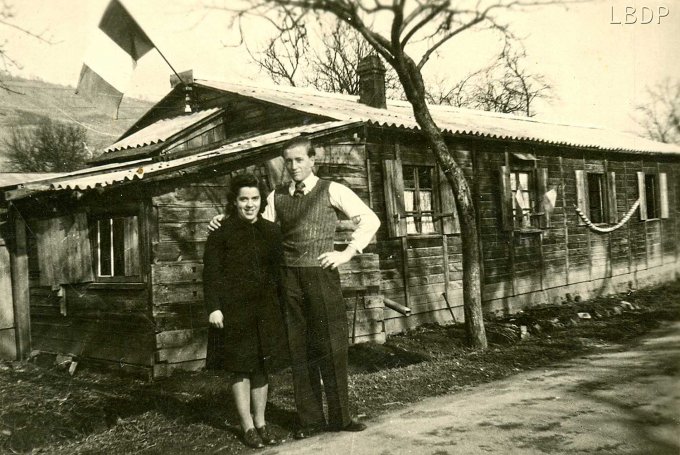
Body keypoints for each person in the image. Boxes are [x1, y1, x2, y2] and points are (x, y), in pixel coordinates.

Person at [210, 137, 380, 439]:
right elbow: (255, 225)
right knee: (299, 349)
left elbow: (369, 219)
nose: (294, 166)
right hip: (288, 280)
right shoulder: (276, 196)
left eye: (300, 160)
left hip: (321, 276)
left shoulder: (333, 189)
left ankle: (341, 417)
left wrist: (346, 252)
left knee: (331, 345)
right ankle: (310, 420)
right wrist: (222, 219)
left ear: (313, 160)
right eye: (288, 161)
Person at [203, 173, 288, 449]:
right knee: (240, 367)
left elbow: (279, 273)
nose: (249, 204)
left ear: (261, 201)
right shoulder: (221, 232)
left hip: (266, 310)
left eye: (254, 198)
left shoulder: (272, 231)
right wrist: (214, 307)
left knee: (262, 365)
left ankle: (261, 422)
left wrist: (282, 307)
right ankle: (247, 426)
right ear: (234, 202)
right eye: (243, 199)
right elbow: (211, 273)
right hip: (233, 310)